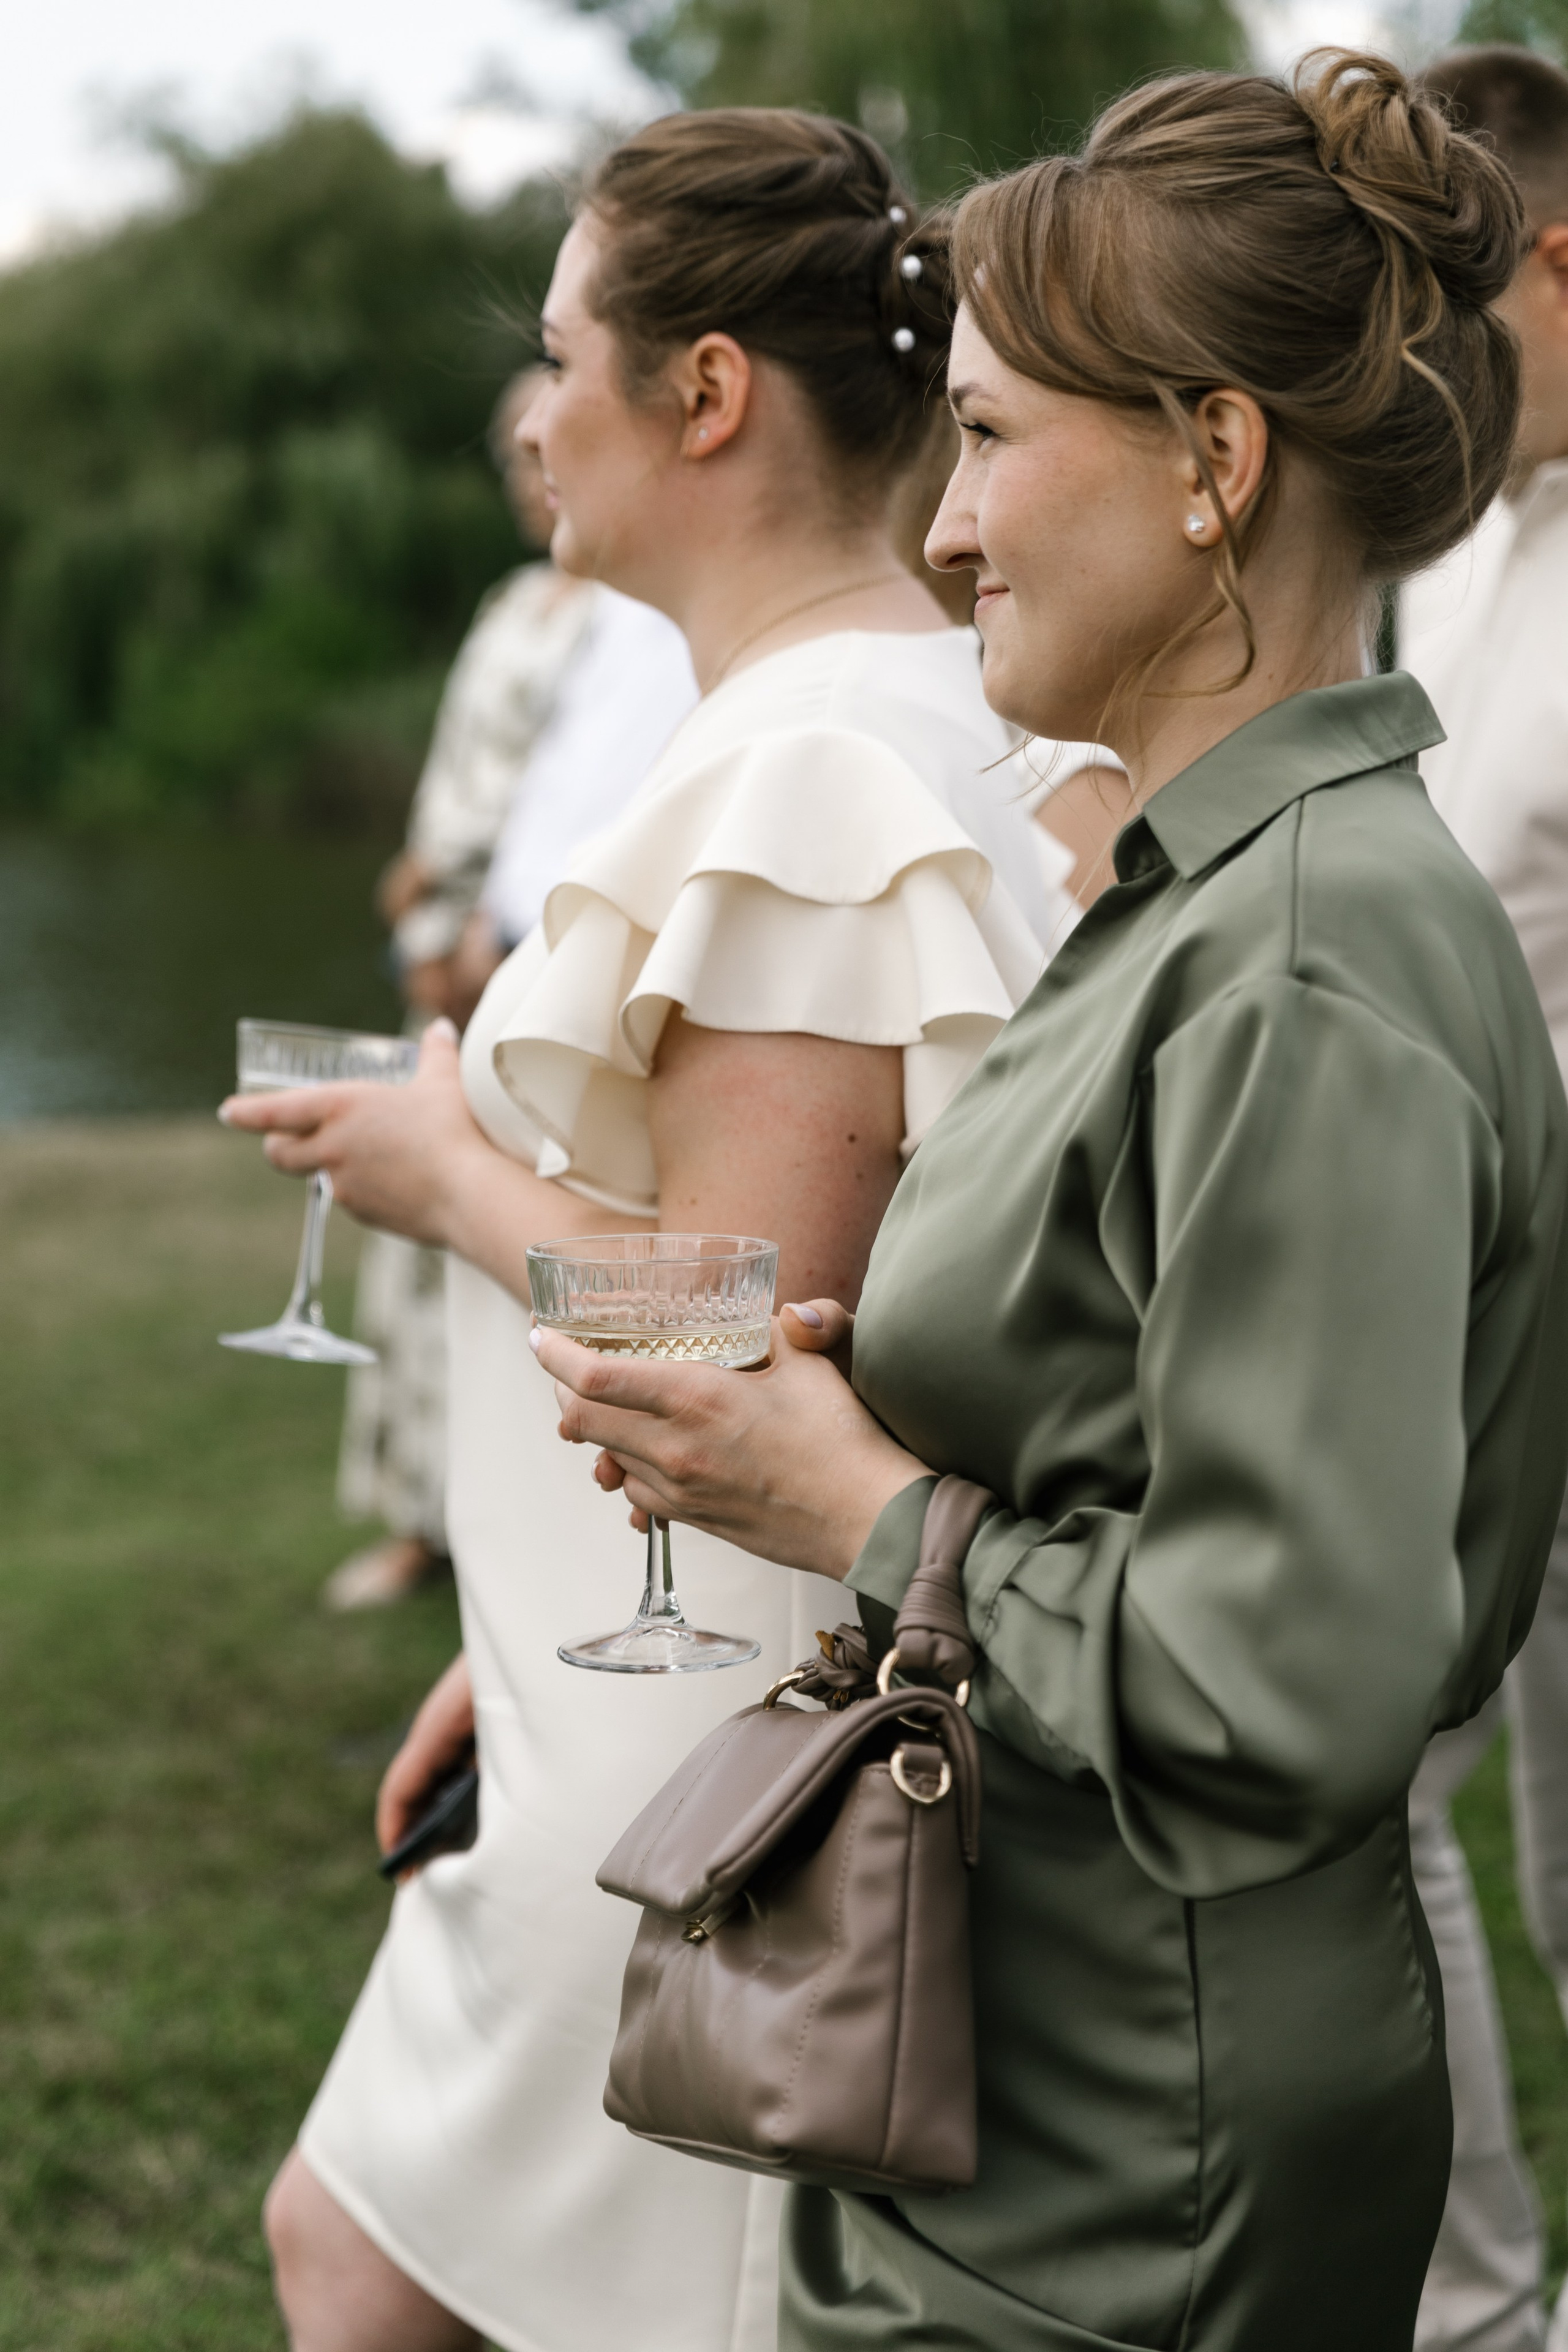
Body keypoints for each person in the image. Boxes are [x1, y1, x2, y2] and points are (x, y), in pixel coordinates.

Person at [537, 52, 1568, 2352]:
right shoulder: (1198, 899)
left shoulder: (1306, 953)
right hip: (1019, 2082)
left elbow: (1279, 1677)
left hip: (1137, 2166)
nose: (946, 530)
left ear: (1217, 461)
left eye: (995, 439)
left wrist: (861, 1504)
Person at [224, 109, 1063, 2352]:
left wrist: (438, 1177)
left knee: (359, 2254)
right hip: (637, 1664)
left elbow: (737, 1331)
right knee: (372, 2247)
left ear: (704, 395)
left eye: (566, 348)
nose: (533, 410)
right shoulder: (959, 714)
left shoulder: (802, 778)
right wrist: (493, 1637)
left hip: (717, 1747)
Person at [331, 374, 696, 1611]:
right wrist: (419, 895)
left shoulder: (636, 616)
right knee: (404, 1253)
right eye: (509, 451)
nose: (529, 463)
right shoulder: (512, 605)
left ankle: (501, 1531)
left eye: (541, 437)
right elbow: (465, 774)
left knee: (502, 1236)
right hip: (451, 937)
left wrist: (482, 933)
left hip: (527, 952)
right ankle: (414, 1518)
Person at [1400, 45, 1568, 2352]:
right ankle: (1473, 2311)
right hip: (1467, 1320)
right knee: (1371, 1799)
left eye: (1447, 305)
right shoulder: (1464, 567)